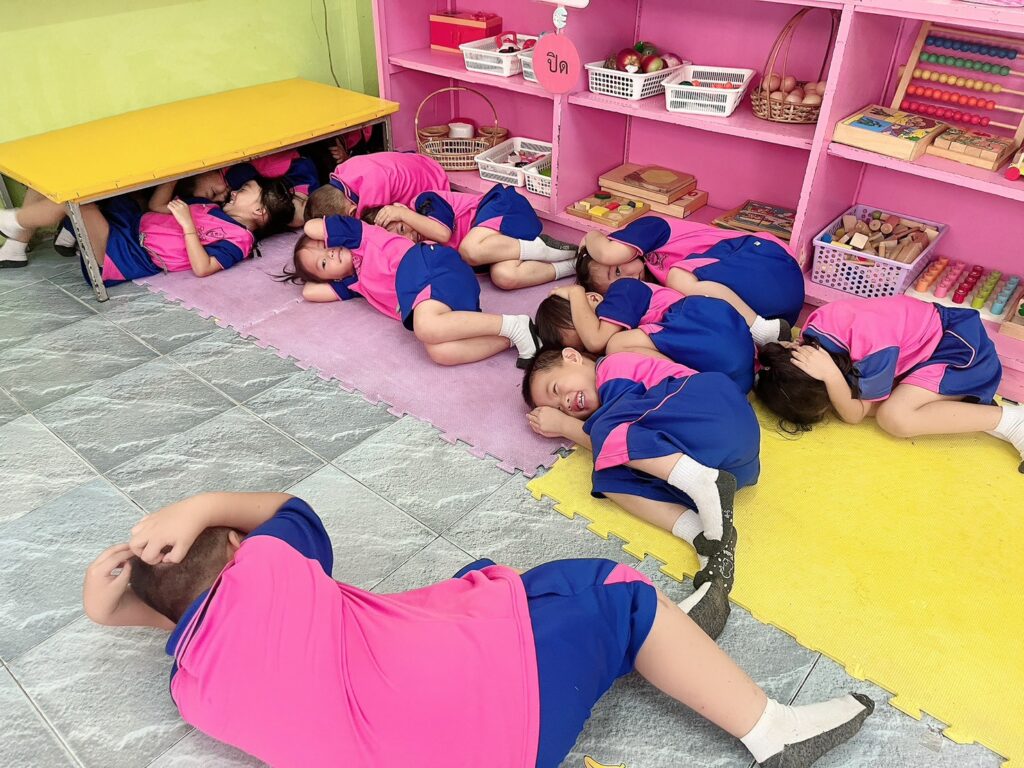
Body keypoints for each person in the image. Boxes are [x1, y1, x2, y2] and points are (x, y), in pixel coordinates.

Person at [83, 490, 874, 768]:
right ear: (234, 550)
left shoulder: (193, 694)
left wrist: (104, 606)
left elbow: (166, 612)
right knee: (610, 589)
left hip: (439, 739)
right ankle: (769, 728)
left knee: (490, 583)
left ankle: (661, 643)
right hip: (509, 730)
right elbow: (292, 513)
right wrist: (204, 506)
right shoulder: (268, 568)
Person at [522, 347, 762, 620]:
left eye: (556, 389)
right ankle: (707, 548)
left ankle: (704, 484)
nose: (564, 404)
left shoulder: (612, 369)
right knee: (609, 479)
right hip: (726, 462)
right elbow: (616, 447)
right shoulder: (623, 416)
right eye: (558, 407)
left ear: (572, 357)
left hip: (715, 407)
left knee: (605, 431)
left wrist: (564, 426)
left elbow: (604, 437)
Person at [756, 295, 1024, 472]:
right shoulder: (811, 334)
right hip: (926, 347)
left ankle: (1011, 420)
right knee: (873, 403)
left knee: (894, 417)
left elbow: (853, 414)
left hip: (961, 352)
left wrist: (833, 378)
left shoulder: (871, 347)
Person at [282, 215, 540, 366]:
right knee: (439, 352)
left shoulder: (361, 238)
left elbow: (311, 227)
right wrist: (315, 269)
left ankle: (514, 325)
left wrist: (325, 248)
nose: (330, 253)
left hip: (430, 264)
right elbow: (309, 292)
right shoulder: (355, 283)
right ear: (335, 277)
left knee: (424, 328)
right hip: (438, 297)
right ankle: (515, 335)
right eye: (323, 263)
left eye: (325, 245)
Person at [2, 178, 292, 283]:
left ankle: (14, 222)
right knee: (55, 182)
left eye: (244, 191)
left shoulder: (240, 240)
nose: (233, 192)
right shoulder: (210, 208)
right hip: (130, 226)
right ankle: (15, 237)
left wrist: (188, 226)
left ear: (259, 212)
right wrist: (173, 174)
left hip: (124, 255)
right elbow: (157, 206)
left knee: (74, 202)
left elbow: (203, 268)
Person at [575, 216, 805, 344]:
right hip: (775, 308)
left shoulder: (650, 227)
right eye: (618, 284)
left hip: (766, 259)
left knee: (678, 277)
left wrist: (590, 237)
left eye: (617, 271)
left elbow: (607, 253)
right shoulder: (651, 289)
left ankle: (762, 331)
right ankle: (762, 333)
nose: (629, 278)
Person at [535, 279, 757, 393]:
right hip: (733, 377)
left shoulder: (623, 289)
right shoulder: (638, 348)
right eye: (583, 349)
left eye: (588, 323)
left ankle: (688, 385)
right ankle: (697, 387)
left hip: (709, 326)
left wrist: (576, 293)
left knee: (615, 347)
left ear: (593, 298)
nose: (591, 349)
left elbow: (596, 340)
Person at [363, 183, 577, 290]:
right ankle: (573, 264)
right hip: (501, 245)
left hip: (503, 208)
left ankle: (543, 249)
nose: (411, 237)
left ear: (400, 208)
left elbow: (443, 233)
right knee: (504, 277)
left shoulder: (423, 202)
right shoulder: (422, 247)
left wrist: (403, 214)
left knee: (469, 250)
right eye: (403, 240)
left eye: (403, 228)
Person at [0, 170, 234, 267]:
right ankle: (15, 242)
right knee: (49, 180)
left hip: (122, 253)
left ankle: (14, 223)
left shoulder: (195, 207)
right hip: (123, 241)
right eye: (227, 189)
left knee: (70, 198)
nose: (224, 196)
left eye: (219, 197)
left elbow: (155, 206)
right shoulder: (194, 202)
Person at [303, 151, 449, 221]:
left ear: (352, 213)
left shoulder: (372, 196)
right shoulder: (342, 170)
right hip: (421, 162)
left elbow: (370, 231)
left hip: (434, 185)